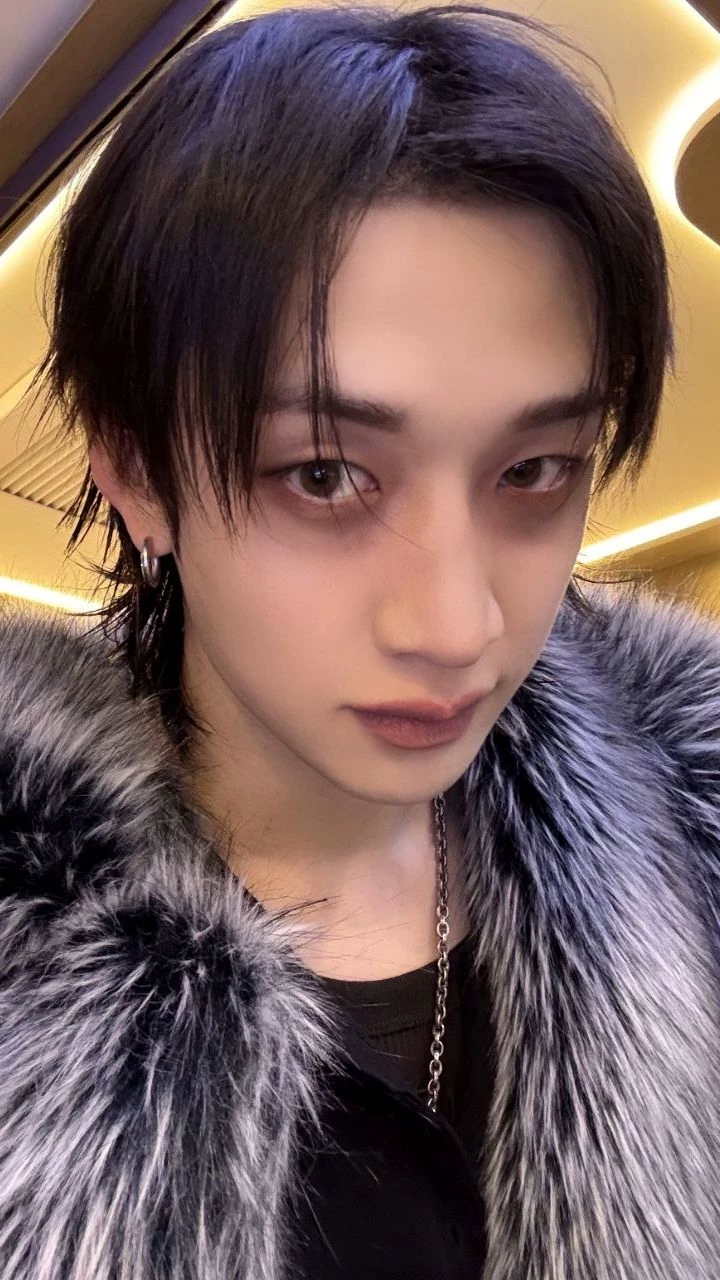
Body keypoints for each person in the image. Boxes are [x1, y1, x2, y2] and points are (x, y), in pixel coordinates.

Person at [1, 3, 718, 1277]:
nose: (458, 626)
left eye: (536, 469)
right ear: (137, 473)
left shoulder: (692, 834)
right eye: (325, 474)